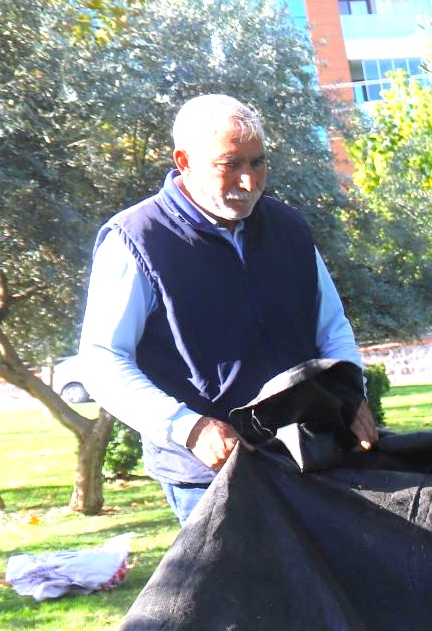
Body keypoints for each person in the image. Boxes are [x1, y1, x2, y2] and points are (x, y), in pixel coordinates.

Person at [74, 94, 375, 523]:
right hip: (208, 475)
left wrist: (351, 394)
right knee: (247, 593)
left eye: (258, 163)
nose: (249, 181)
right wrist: (189, 428)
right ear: (184, 161)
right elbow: (102, 361)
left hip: (309, 452)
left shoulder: (289, 227)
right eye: (230, 164)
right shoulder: (136, 239)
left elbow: (331, 326)